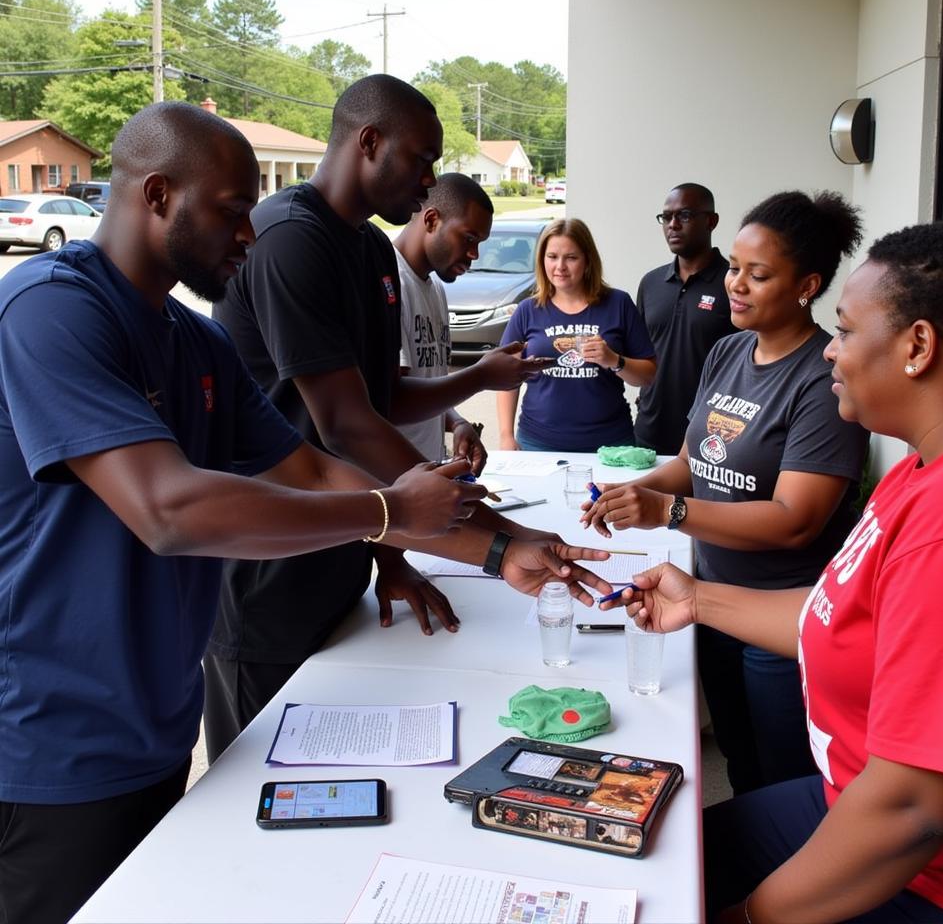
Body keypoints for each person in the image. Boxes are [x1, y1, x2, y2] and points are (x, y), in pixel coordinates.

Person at [0, 102, 610, 924]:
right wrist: (389, 511)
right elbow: (166, 509)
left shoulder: (198, 340)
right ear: (155, 195)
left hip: (154, 725)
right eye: (229, 212)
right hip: (53, 743)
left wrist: (499, 551)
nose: (248, 235)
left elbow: (312, 467)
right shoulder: (50, 308)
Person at [608, 220, 943, 924]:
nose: (831, 350)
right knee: (664, 855)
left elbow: (914, 811)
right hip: (844, 793)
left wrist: (753, 917)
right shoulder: (932, 465)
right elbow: (840, 615)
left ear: (918, 347)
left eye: (847, 330)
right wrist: (698, 599)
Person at [205, 76, 562, 762]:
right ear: (369, 143)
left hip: (344, 557)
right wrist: (501, 537)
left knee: (336, 778)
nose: (429, 182)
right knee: (261, 792)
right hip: (268, 579)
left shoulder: (371, 252)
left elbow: (384, 399)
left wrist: (391, 553)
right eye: (421, 160)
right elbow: (343, 425)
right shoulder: (289, 238)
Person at [584, 191, 869, 794]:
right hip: (710, 595)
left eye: (757, 274)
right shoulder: (728, 351)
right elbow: (692, 463)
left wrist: (667, 511)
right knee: (739, 759)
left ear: (806, 285)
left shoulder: (822, 380)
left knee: (788, 777)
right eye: (735, 268)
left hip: (782, 616)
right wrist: (629, 493)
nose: (735, 284)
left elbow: (796, 520)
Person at [496, 217, 657, 452]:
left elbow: (649, 376)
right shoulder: (527, 311)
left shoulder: (618, 304)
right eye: (552, 257)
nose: (560, 266)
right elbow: (505, 377)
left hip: (610, 446)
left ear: (588, 261)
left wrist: (614, 360)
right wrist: (505, 435)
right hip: (537, 443)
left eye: (571, 257)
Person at [391, 172, 498, 464]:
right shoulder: (389, 282)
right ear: (431, 220)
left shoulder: (435, 286)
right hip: (392, 483)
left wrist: (456, 422)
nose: (474, 254)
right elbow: (393, 399)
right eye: (468, 238)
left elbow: (427, 382)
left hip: (428, 473)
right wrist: (484, 374)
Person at [635, 183, 737, 455]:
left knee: (685, 501)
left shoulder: (734, 284)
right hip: (649, 431)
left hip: (710, 436)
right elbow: (641, 355)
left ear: (711, 221)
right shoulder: (651, 283)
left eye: (685, 215)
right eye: (666, 217)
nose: (673, 225)